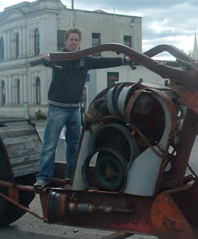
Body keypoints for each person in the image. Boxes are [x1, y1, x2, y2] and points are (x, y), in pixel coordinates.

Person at [33, 27, 132, 189]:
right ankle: (43, 177)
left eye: (76, 40)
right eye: (71, 39)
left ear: (79, 42)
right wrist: (46, 59)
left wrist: (124, 60)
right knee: (50, 145)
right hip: (57, 108)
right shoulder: (59, 57)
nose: (73, 42)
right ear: (66, 42)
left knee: (74, 145)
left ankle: (71, 176)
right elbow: (48, 60)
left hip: (74, 109)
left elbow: (104, 61)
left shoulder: (85, 59)